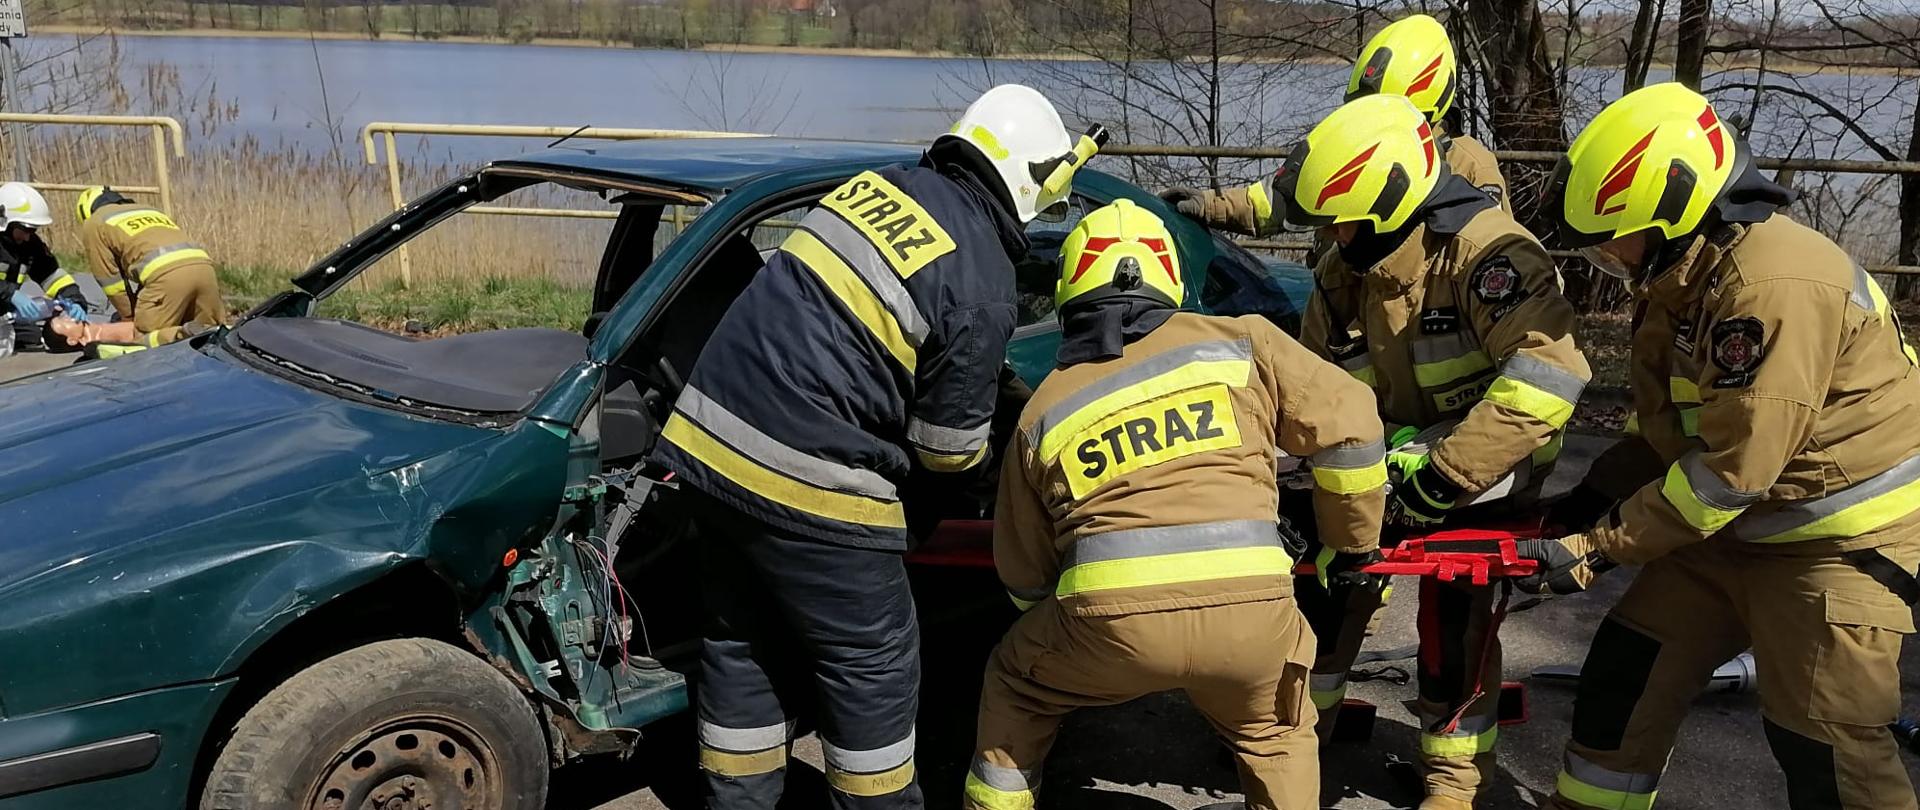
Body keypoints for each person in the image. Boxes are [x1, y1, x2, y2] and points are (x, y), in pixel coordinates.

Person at [647, 84, 1101, 810]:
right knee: (872, 666)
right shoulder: (983, 274)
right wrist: (1002, 467)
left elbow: (865, 329)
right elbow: (947, 452)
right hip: (810, 484)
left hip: (708, 450)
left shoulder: (875, 190)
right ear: (1030, 183)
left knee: (741, 642)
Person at [1518, 82, 1920, 810]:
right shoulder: (1685, 277)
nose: (1610, 255)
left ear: (1677, 213)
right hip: (1735, 530)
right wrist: (1587, 499)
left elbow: (1733, 472)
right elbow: (1671, 424)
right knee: (1627, 675)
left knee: (1828, 748)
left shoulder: (1772, 287)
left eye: (1618, 237)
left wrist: (1596, 548)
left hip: (1838, 545)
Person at [964, 199, 1387, 810]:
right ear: (1170, 280)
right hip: (1252, 619)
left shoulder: (1044, 406)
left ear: (1070, 294)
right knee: (1274, 737)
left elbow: (1024, 573)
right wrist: (1349, 547)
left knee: (1016, 683)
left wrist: (1060, 623)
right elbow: (1352, 425)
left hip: (1109, 628)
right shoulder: (1243, 342)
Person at [1266, 95, 1589, 810]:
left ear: (1391, 205)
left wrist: (1442, 478)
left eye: (1344, 220)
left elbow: (1548, 378)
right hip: (1390, 458)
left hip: (1487, 459)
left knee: (1453, 614)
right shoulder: (1345, 266)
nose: (1334, 236)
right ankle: (1297, 736)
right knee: (1327, 582)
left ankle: (1452, 780)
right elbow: (1309, 380)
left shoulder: (1493, 256)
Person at [1160, 13, 1507, 236]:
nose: (1369, 122)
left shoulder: (1471, 168)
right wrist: (1209, 205)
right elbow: (1282, 198)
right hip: (1339, 309)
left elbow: (1485, 253)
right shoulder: (1354, 143)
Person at [73, 185, 225, 347]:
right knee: (214, 338)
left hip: (165, 277)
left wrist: (129, 315)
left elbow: (109, 279)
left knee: (145, 340)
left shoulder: (95, 222)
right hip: (205, 270)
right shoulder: (150, 211)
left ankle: (182, 335)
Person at [1, 182, 94, 348]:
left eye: (33, 230)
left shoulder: (30, 245)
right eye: (25, 229)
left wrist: (75, 300)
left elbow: (52, 276)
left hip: (4, 313)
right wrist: (11, 294)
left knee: (32, 336)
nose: (27, 237)